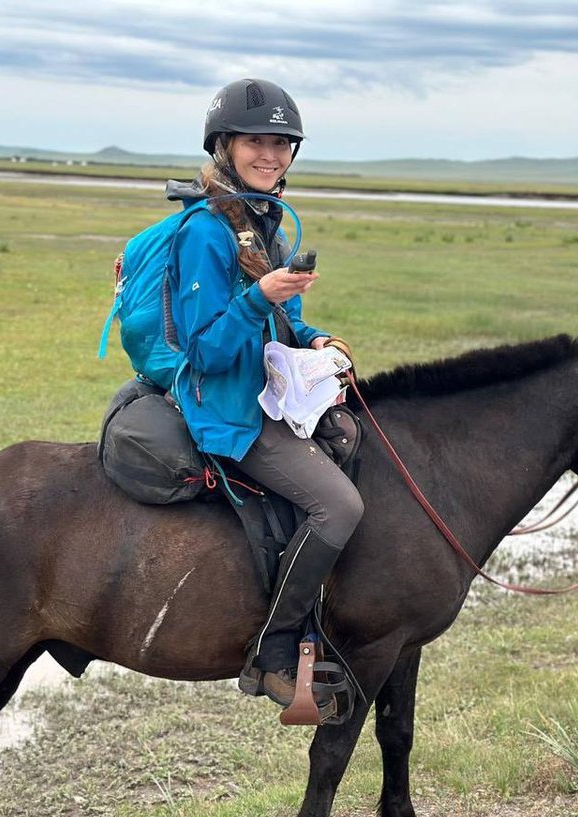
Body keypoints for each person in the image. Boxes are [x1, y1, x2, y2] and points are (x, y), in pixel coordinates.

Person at [165, 78, 363, 709]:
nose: (270, 155)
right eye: (256, 141)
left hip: (271, 394)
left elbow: (288, 322)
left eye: (282, 144)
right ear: (224, 145)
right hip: (227, 410)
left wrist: (318, 338)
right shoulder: (205, 232)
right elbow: (206, 351)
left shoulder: (264, 224)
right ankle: (274, 653)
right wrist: (260, 298)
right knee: (339, 506)